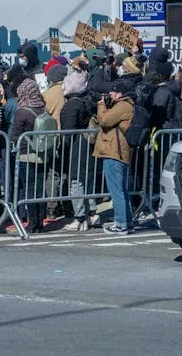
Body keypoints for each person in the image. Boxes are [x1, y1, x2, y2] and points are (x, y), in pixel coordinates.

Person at [60, 60, 99, 232]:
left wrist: (63, 147)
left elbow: (68, 131)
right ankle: (91, 213)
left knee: (76, 181)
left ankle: (80, 217)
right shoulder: (88, 99)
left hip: (77, 145)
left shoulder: (72, 104)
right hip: (89, 143)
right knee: (86, 179)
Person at [95, 82, 135, 235]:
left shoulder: (122, 105)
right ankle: (127, 222)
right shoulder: (124, 105)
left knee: (116, 190)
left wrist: (101, 105)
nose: (109, 96)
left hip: (114, 151)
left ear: (119, 94)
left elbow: (104, 121)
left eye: (111, 94)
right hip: (117, 150)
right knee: (121, 190)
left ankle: (121, 223)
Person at [10, 77, 48, 233]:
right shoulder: (44, 109)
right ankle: (40, 221)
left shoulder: (22, 112)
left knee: (30, 189)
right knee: (40, 188)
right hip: (43, 153)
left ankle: (33, 223)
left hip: (26, 154)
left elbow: (15, 134)